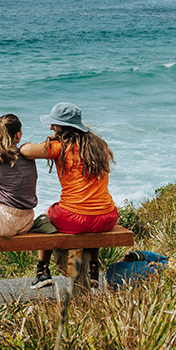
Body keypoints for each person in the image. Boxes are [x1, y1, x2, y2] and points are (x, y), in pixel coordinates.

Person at [19, 102, 116, 289]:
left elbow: (26, 151)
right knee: (91, 216)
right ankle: (94, 269)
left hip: (75, 219)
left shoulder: (60, 147)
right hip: (107, 217)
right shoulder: (99, 145)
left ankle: (42, 271)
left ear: (64, 127)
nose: (51, 128)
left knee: (46, 216)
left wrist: (48, 142)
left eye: (54, 124)